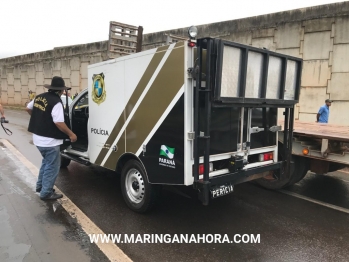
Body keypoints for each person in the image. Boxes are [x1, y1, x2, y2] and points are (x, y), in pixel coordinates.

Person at [26, 76, 77, 200]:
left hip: (38, 138)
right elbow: (59, 122)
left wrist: (40, 118)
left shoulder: (39, 97)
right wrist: (71, 134)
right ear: (60, 90)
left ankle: (40, 187)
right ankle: (46, 192)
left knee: (46, 163)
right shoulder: (56, 102)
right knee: (52, 167)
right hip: (50, 141)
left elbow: (27, 108)